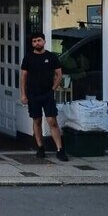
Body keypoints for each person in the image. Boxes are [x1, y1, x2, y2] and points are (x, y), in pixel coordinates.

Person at [21, 33, 69, 161]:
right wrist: (23, 94)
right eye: (34, 41)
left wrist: (53, 88)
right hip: (33, 94)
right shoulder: (28, 58)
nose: (37, 43)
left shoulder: (51, 57)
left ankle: (60, 149)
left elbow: (59, 74)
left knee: (52, 121)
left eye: (39, 40)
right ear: (32, 43)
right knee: (36, 121)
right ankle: (40, 147)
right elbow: (24, 77)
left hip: (47, 94)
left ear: (44, 41)